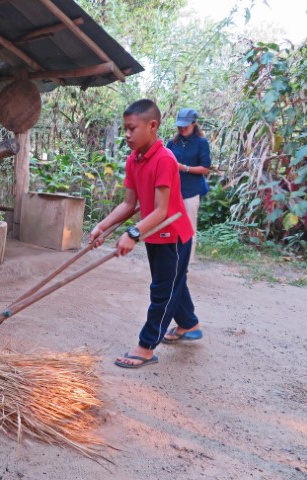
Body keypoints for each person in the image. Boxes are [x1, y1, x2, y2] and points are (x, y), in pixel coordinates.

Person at [88, 99, 202, 369]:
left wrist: (132, 233)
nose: (127, 135)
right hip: (152, 234)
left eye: (132, 128)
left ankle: (147, 346)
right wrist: (102, 226)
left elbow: (162, 211)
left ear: (152, 126)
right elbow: (129, 204)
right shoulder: (134, 159)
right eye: (125, 129)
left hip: (172, 236)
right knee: (173, 281)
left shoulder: (165, 159)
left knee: (163, 291)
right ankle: (189, 324)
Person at [166, 108, 211, 262]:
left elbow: (205, 168)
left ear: (194, 124)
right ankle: (170, 259)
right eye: (180, 126)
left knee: (188, 227)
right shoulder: (173, 142)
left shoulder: (201, 143)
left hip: (190, 193)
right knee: (170, 226)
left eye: (186, 125)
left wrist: (184, 168)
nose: (182, 128)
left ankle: (185, 263)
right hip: (172, 192)